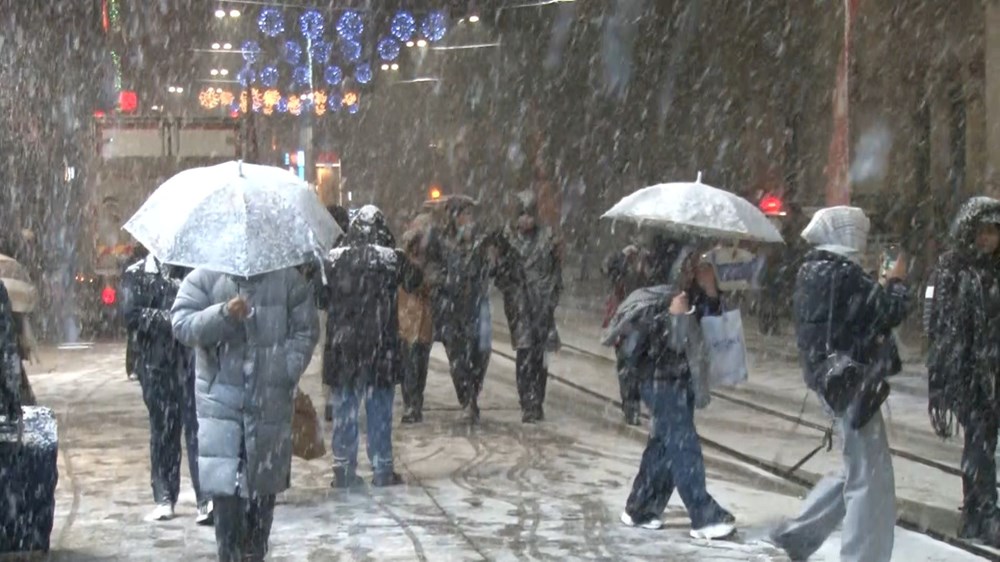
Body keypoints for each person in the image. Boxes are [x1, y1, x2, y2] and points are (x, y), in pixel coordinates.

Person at [770, 206, 909, 562]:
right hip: (852, 383)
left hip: (833, 380)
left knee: (857, 466)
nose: (862, 239)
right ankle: (863, 556)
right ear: (847, 234)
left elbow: (855, 317)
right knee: (870, 479)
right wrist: (896, 281)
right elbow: (886, 312)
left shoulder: (816, 269)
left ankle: (799, 534)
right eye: (859, 232)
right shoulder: (842, 273)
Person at [171, 265, 318, 562]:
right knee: (227, 513)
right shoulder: (204, 278)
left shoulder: (287, 280)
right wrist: (223, 314)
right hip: (221, 409)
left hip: (268, 406)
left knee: (260, 515)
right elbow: (182, 324)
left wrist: (283, 368)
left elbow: (306, 329)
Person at [605, 245, 735, 538]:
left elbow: (713, 326)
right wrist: (676, 316)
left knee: (664, 446)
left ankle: (640, 507)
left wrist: (710, 291)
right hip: (659, 381)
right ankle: (703, 514)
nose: (692, 268)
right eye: (687, 263)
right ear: (672, 264)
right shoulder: (650, 297)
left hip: (681, 380)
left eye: (694, 262)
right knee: (683, 445)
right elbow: (668, 345)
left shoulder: (689, 291)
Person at [323, 205, 419, 488]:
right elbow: (416, 281)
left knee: (345, 410)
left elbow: (320, 298)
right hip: (381, 346)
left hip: (343, 348)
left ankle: (343, 469)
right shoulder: (392, 260)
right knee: (379, 409)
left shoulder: (333, 259)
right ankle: (382, 467)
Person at [926, 196, 1000, 545]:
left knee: (983, 441)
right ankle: (985, 513)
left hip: (992, 371)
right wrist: (941, 377)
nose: (988, 238)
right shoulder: (954, 269)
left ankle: (976, 514)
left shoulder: (993, 270)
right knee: (980, 442)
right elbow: (941, 326)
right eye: (983, 231)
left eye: (994, 231)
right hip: (967, 371)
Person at [123, 256, 210, 524]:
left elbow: (202, 312)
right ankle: (164, 496)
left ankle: (205, 498)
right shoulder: (137, 273)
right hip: (155, 365)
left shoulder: (196, 271)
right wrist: (171, 320)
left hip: (190, 362)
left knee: (197, 430)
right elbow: (131, 316)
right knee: (162, 430)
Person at [497, 191, 562, 423]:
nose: (526, 220)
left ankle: (538, 400)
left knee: (539, 356)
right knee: (525, 354)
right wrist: (513, 289)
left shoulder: (547, 239)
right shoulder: (507, 240)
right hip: (521, 305)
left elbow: (556, 274)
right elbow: (500, 275)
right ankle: (527, 402)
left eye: (529, 214)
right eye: (521, 215)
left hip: (542, 306)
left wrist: (551, 297)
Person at [432, 197, 493, 423]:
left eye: (470, 214)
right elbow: (432, 269)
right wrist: (444, 281)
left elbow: (492, 267)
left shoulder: (481, 242)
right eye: (464, 214)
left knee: (480, 355)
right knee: (457, 359)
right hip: (452, 308)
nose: (468, 219)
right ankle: (467, 400)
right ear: (454, 218)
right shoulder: (441, 242)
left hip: (477, 306)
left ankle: (473, 395)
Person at [398, 212, 436, 424]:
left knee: (420, 365)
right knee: (409, 364)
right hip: (406, 319)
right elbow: (407, 282)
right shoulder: (404, 259)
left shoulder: (431, 260)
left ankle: (416, 402)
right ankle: (410, 404)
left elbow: (433, 283)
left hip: (423, 322)